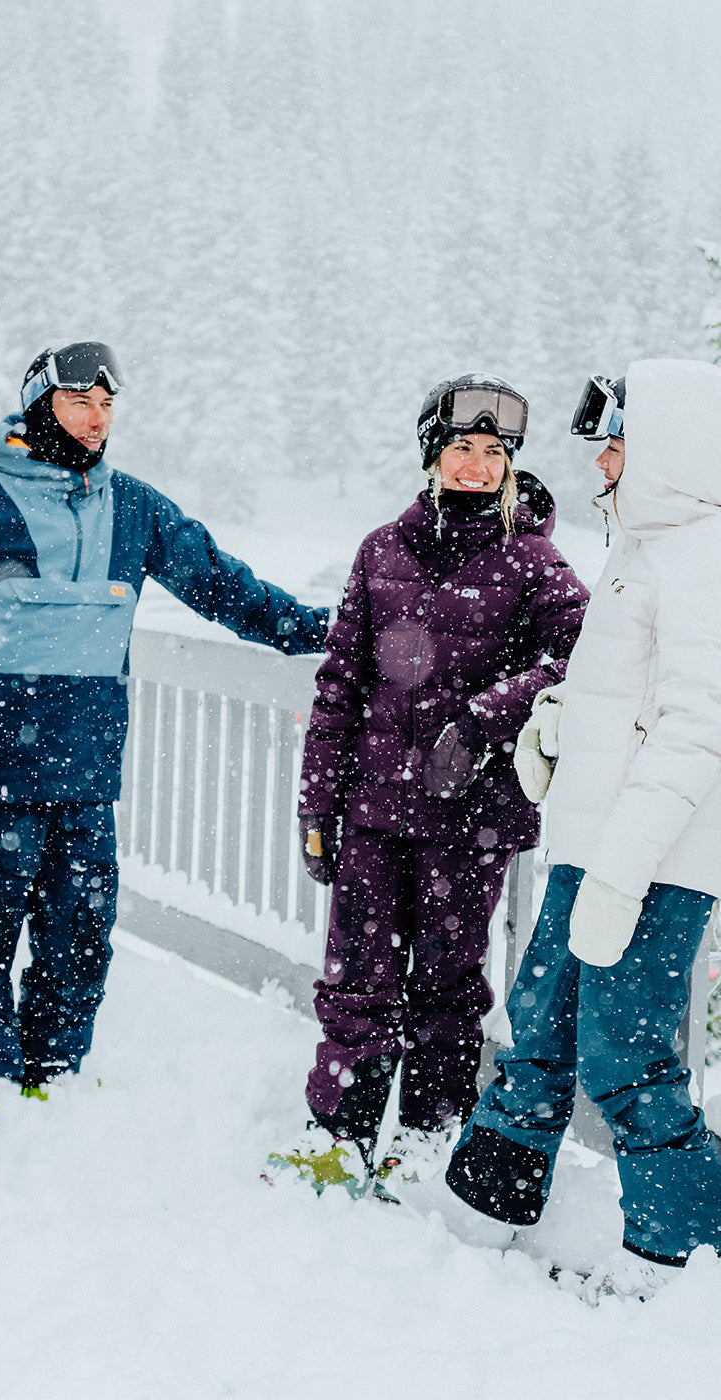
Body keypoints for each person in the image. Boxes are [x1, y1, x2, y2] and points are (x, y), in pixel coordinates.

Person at [0, 341, 329, 1093]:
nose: (98, 420)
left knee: (79, 948)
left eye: (107, 404)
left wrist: (323, 630)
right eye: (80, 402)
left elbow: (221, 585)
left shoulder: (132, 507)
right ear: (41, 405)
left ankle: (55, 1085)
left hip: (85, 782)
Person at [266, 374, 589, 1197]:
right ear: (431, 456)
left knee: (448, 984)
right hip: (374, 809)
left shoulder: (535, 560)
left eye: (493, 453)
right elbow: (339, 683)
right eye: (462, 449)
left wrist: (488, 716)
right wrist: (317, 803)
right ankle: (340, 1135)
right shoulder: (381, 551)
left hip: (471, 815)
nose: (478, 467)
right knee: (355, 980)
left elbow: (582, 661)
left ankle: (424, 1136)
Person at [445, 361, 721, 1297]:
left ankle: (675, 1257)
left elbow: (694, 731)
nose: (600, 461)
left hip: (651, 864)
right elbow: (632, 694)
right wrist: (560, 722)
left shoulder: (704, 559)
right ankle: (487, 1210)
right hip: (588, 846)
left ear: (667, 449)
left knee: (627, 1053)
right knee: (542, 1028)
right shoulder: (644, 549)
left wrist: (621, 876)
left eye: (617, 443)